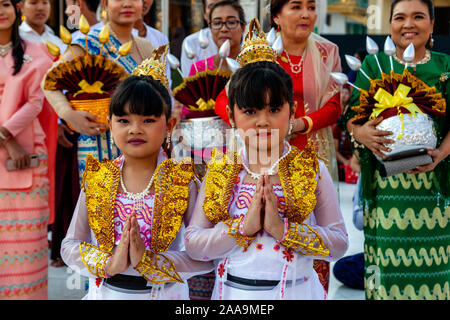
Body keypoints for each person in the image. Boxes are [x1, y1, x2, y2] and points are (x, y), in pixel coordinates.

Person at [185, 22, 348, 300]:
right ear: (232, 116)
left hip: (297, 291)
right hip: (234, 295)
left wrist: (283, 230)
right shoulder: (223, 170)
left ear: (292, 111)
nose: (263, 121)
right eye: (250, 110)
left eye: (274, 109)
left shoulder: (311, 168)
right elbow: (193, 243)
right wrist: (243, 229)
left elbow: (339, 243)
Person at [60, 51, 213, 299]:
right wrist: (110, 263)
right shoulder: (99, 177)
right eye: (123, 120)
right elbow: (69, 246)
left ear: (169, 126)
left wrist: (150, 261)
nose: (135, 129)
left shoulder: (184, 180)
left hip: (164, 293)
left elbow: (205, 257)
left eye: (148, 120)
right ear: (110, 124)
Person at [343, 0, 449, 300]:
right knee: (387, 270)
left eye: (418, 17)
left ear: (432, 24)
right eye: (400, 17)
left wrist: (440, 153)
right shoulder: (373, 66)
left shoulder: (445, 67)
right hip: (386, 190)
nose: (408, 24)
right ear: (390, 25)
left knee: (435, 271)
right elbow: (351, 117)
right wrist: (361, 132)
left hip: (436, 189)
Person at [42, 0, 155, 182]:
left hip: (142, 143)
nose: (127, 4)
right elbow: (48, 82)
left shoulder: (146, 47)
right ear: (105, 3)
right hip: (99, 144)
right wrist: (68, 114)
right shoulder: (89, 42)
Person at [0, 0, 57, 299]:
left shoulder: (37, 53)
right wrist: (6, 139)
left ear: (16, 8)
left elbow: (35, 102)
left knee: (27, 245)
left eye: (6, 3)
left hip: (26, 156)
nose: (2, 11)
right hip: (11, 147)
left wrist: (7, 134)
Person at [180, 0, 223, 77]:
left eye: (222, 5)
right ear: (205, 14)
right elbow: (191, 82)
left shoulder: (247, 42)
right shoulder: (191, 43)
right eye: (211, 6)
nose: (218, 11)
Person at [333, 85, 353, 182]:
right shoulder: (337, 128)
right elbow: (335, 151)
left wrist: (353, 161)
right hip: (342, 163)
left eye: (346, 93)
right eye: (342, 93)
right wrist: (346, 162)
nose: (344, 95)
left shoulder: (354, 127)